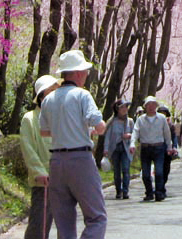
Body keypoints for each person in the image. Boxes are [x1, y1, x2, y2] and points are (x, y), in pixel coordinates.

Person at [38, 49, 107, 239]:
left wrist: (64, 129)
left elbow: (43, 131)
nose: (86, 75)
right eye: (85, 71)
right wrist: (91, 129)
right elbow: (99, 125)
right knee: (97, 217)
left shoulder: (48, 100)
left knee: (64, 221)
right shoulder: (82, 95)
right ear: (77, 73)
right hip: (80, 159)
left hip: (57, 162)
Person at [20, 75, 59, 239]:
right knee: (39, 224)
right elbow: (28, 148)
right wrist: (39, 171)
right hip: (42, 180)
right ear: (42, 95)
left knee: (64, 224)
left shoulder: (60, 117)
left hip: (62, 176)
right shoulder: (30, 119)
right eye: (51, 92)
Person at [129, 96, 174, 202]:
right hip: (145, 148)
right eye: (148, 105)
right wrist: (132, 144)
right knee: (145, 174)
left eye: (153, 105)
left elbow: (167, 134)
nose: (151, 107)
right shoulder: (141, 119)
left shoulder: (162, 118)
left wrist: (169, 147)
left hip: (159, 147)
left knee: (159, 172)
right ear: (145, 107)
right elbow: (135, 132)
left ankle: (159, 193)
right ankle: (149, 192)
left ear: (156, 106)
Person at [103, 99, 134, 200]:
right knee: (117, 171)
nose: (125, 109)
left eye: (126, 107)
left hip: (126, 148)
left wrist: (130, 136)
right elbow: (107, 136)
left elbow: (135, 134)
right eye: (122, 107)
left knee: (125, 169)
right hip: (115, 148)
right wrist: (106, 149)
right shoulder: (112, 122)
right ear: (118, 109)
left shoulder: (130, 121)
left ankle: (125, 191)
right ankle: (118, 191)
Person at [157, 105, 179, 185]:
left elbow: (174, 137)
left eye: (164, 113)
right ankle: (159, 186)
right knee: (159, 169)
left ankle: (162, 183)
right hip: (157, 148)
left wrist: (175, 147)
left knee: (166, 168)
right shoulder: (154, 124)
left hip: (167, 149)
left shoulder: (170, 125)